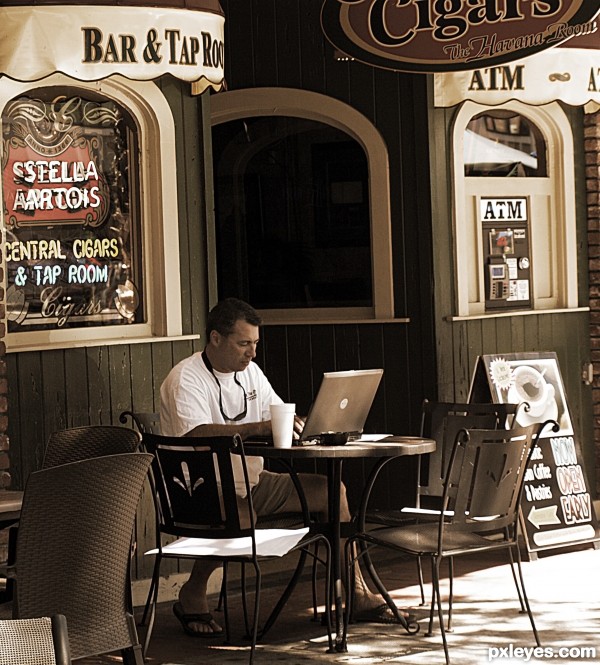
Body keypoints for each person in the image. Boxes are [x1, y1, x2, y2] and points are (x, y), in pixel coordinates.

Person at [160, 297, 408, 636]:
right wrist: (258, 428)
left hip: (252, 480)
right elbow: (197, 433)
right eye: (243, 343)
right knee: (240, 513)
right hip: (199, 490)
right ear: (215, 338)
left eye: (256, 344)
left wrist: (310, 426)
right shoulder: (185, 378)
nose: (252, 353)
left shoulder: (252, 373)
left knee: (330, 492)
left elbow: (277, 415)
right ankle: (194, 590)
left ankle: (358, 593)